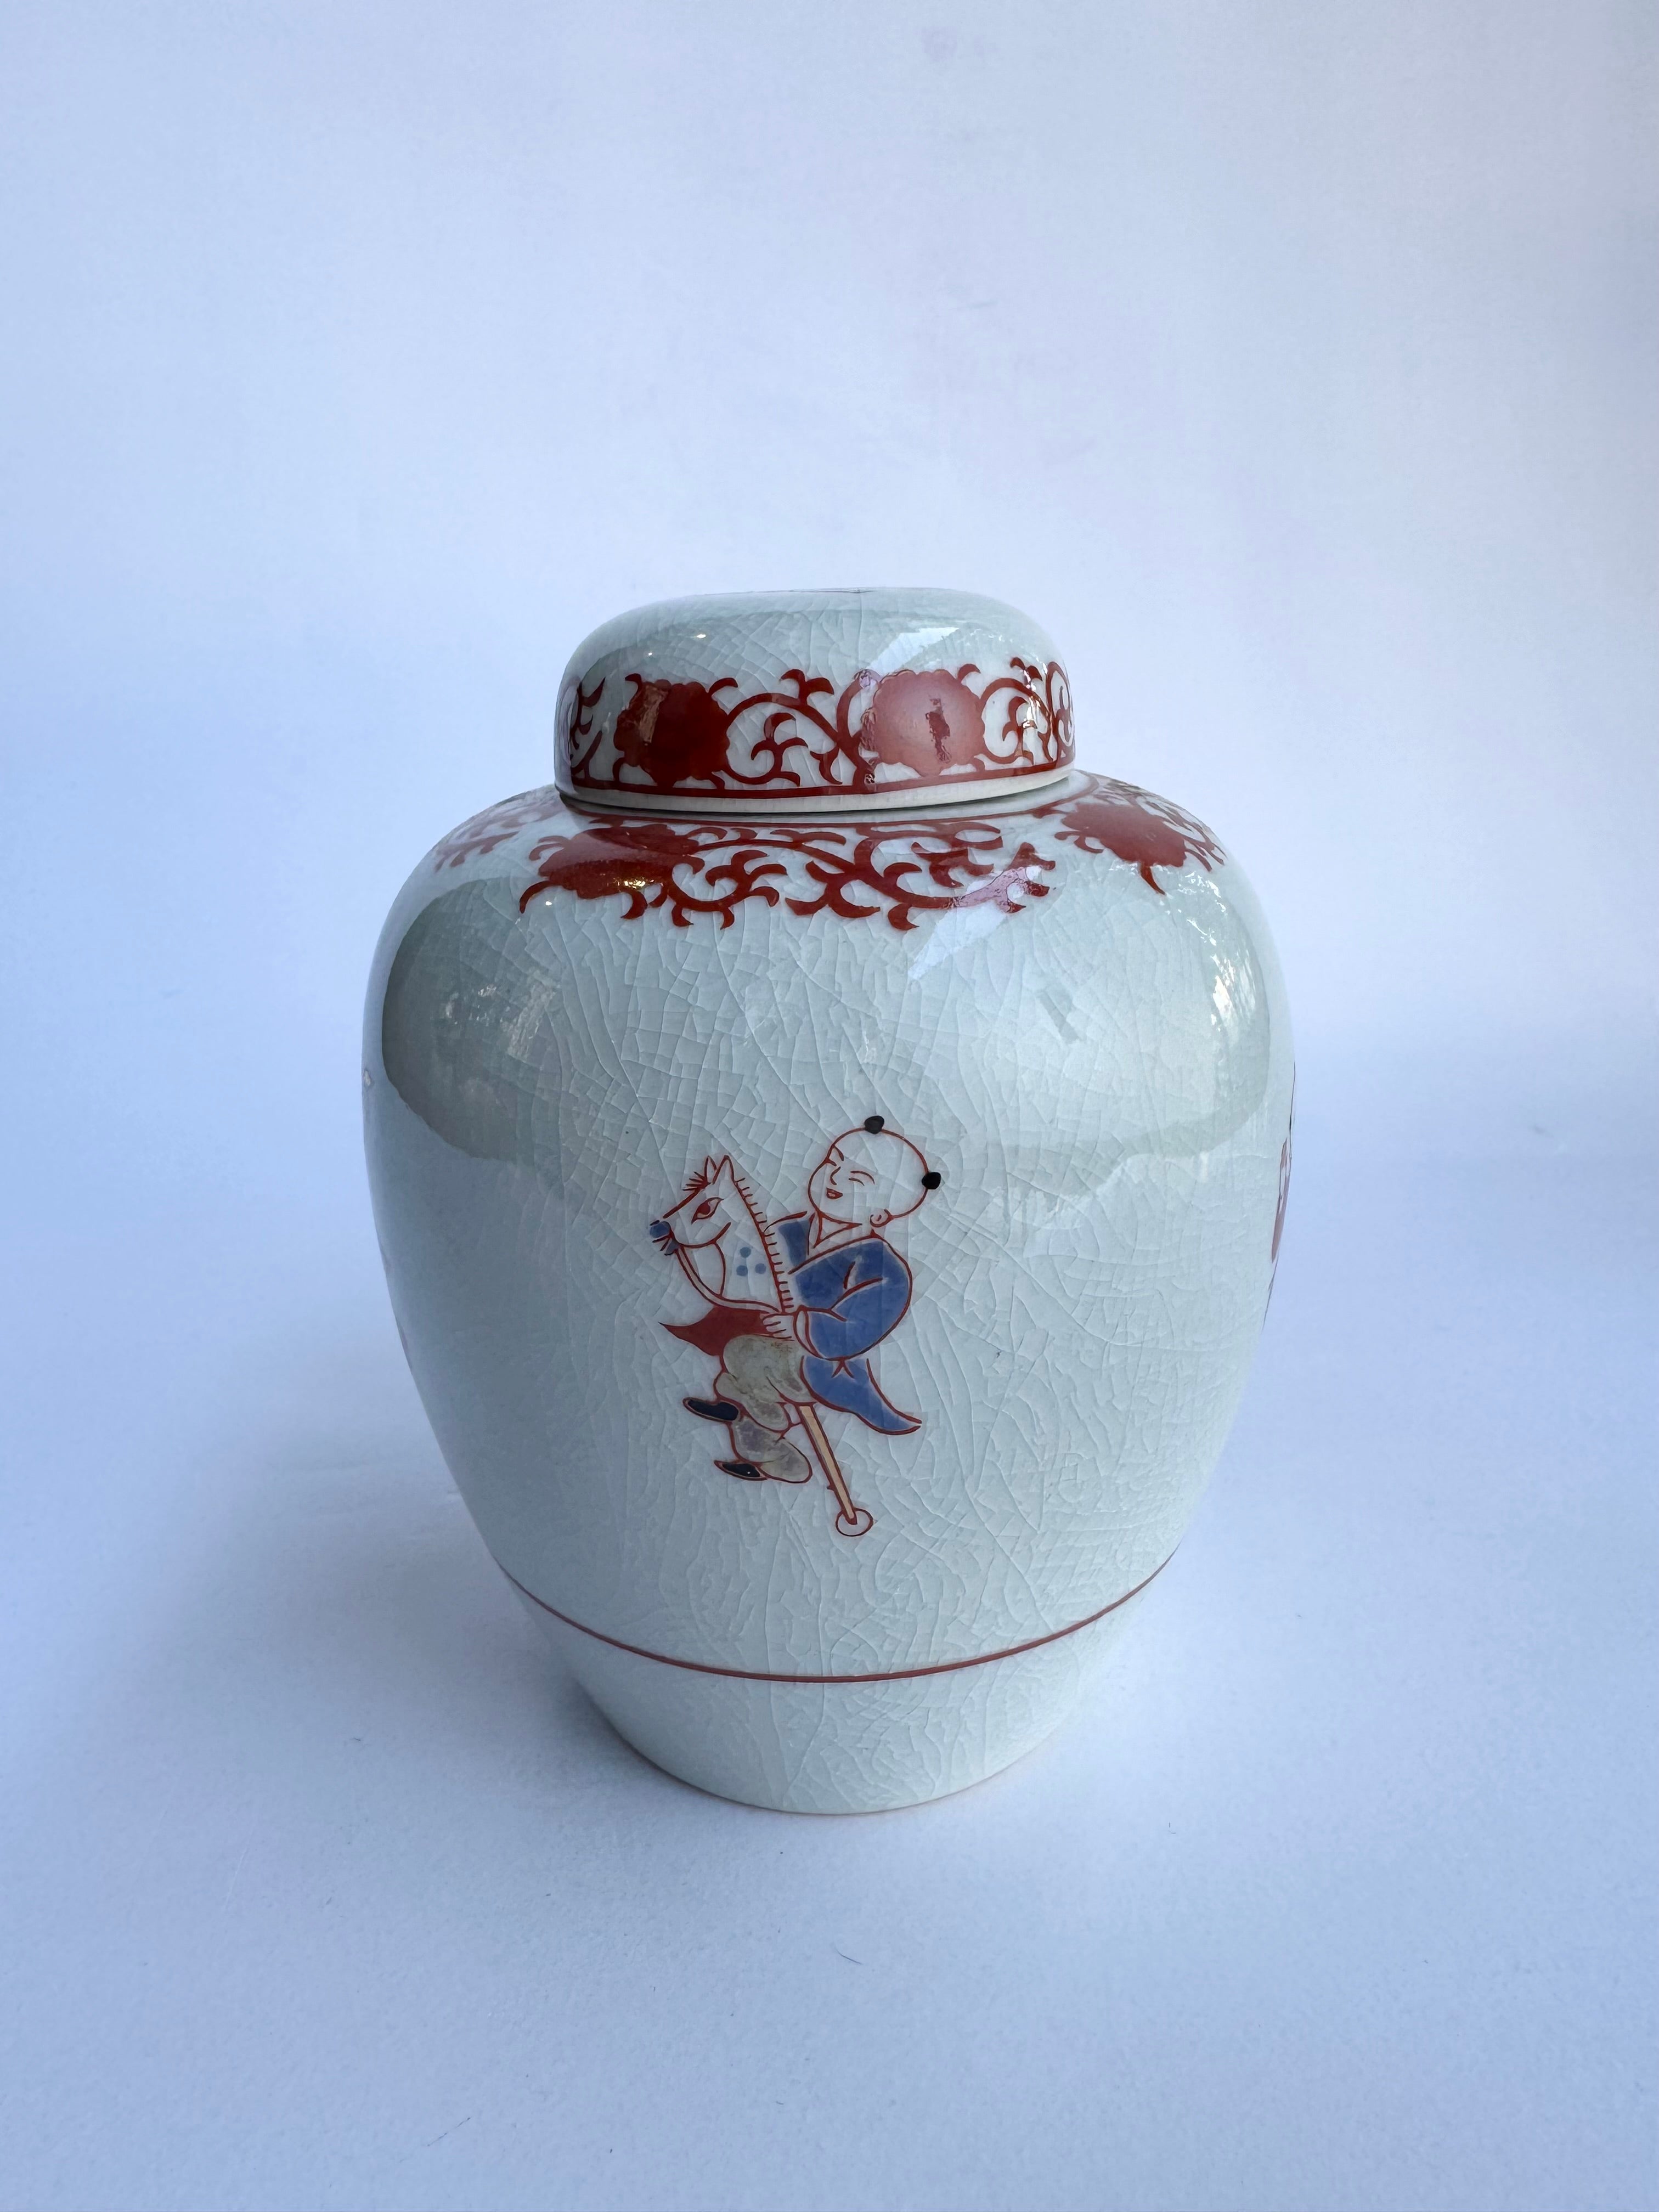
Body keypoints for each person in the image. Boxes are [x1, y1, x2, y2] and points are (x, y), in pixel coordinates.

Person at [683, 1118, 941, 1483]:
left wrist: (801, 1324)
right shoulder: (786, 1232)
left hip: (827, 1363)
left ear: (880, 1215)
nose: (834, 1178)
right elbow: (754, 1273)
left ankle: (765, 1435)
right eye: (831, 1163)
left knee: (749, 1359)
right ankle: (766, 1443)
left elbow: (859, 1330)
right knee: (743, 1356)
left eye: (856, 1178)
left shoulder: (884, 1270)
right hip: (776, 1343)